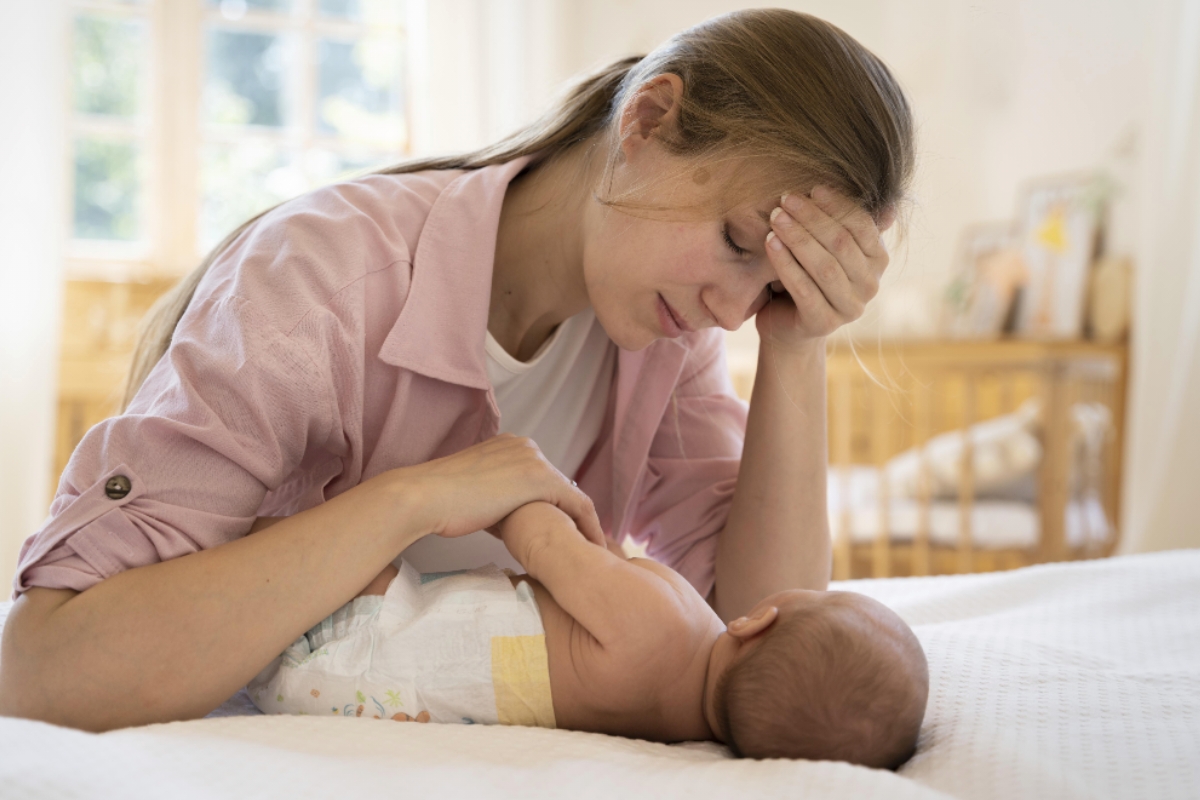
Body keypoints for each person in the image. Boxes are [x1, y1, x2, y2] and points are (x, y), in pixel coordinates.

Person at [0, 7, 914, 732]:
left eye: (771, 287)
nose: (730, 309)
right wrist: (413, 498)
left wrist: (797, 346)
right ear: (648, 117)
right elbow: (43, 667)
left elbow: (757, 657)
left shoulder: (668, 337)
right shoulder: (320, 278)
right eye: (737, 243)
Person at [252, 502, 929, 768]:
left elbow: (548, 545)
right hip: (340, 694)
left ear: (756, 623)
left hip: (361, 629)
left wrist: (516, 488)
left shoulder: (670, 620)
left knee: (325, 519)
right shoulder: (669, 726)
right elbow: (600, 575)